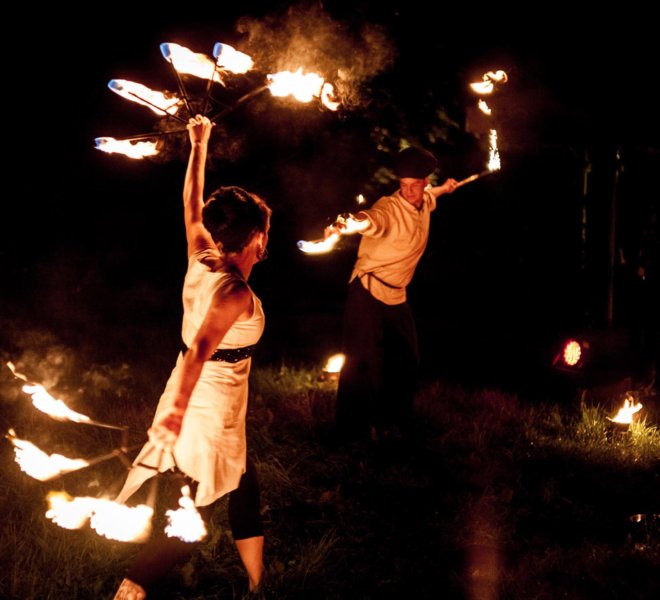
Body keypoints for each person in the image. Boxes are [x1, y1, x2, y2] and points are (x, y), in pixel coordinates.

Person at [113, 114, 272, 599]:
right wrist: (176, 416)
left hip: (202, 395)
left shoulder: (202, 253)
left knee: (241, 483)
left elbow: (191, 204)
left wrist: (198, 144)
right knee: (198, 505)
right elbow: (202, 348)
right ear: (256, 239)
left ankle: (259, 584)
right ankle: (132, 587)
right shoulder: (234, 292)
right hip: (207, 406)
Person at [325, 146, 458, 444]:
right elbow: (370, 219)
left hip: (397, 295)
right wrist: (348, 223)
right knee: (362, 363)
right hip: (368, 290)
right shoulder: (389, 209)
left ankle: (392, 423)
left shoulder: (424, 198)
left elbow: (430, 196)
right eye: (403, 186)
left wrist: (445, 189)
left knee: (406, 359)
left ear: (425, 182)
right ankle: (352, 434)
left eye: (415, 185)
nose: (409, 192)